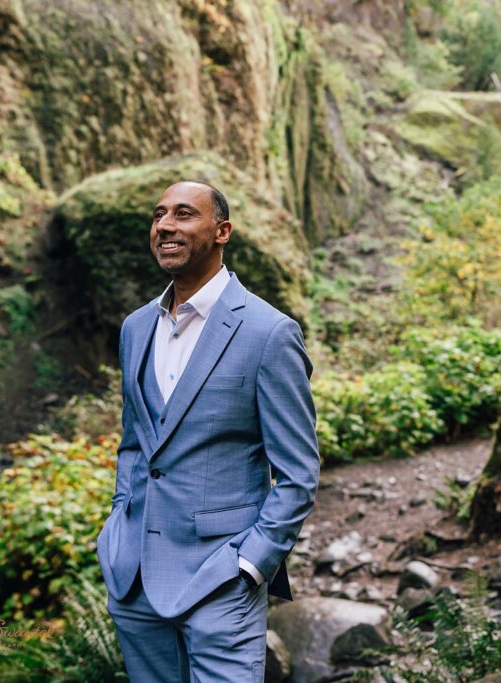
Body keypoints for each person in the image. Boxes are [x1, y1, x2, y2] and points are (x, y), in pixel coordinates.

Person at [95, 179, 321, 682]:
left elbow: (299, 474)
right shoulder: (135, 327)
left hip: (221, 580)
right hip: (133, 577)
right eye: (158, 216)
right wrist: (118, 529)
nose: (165, 226)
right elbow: (135, 444)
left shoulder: (269, 333)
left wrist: (252, 564)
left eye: (183, 214)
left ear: (222, 231)